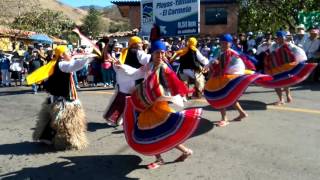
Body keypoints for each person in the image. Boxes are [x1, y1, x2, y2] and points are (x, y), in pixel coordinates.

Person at [124, 40, 202, 169]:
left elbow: (176, 84)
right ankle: (183, 152)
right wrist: (121, 67)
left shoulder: (164, 67)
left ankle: (163, 158)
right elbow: (135, 74)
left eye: (162, 53)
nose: (160, 55)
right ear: (152, 54)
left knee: (159, 131)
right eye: (157, 53)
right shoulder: (148, 67)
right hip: (149, 104)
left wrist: (179, 96)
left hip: (159, 104)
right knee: (158, 132)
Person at [27, 45, 95, 150]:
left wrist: (87, 55)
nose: (70, 53)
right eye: (68, 52)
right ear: (62, 55)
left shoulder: (56, 63)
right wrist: (89, 57)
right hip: (64, 100)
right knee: (65, 122)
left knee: (52, 119)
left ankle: (47, 138)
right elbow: (76, 65)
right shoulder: (62, 64)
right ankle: (65, 141)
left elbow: (74, 62)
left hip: (57, 97)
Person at [204, 34, 270, 127]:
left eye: (225, 43)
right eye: (222, 43)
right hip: (229, 75)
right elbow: (218, 62)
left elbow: (223, 67)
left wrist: (213, 67)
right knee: (230, 97)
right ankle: (242, 113)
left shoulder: (229, 53)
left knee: (220, 95)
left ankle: (224, 119)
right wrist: (211, 64)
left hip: (230, 77)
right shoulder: (224, 52)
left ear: (230, 44)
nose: (223, 45)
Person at [255, 31, 317, 105]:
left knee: (283, 81)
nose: (279, 39)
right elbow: (262, 51)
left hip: (286, 66)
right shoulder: (274, 45)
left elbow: (300, 53)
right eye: (278, 37)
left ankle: (286, 97)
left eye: (281, 37)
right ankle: (283, 98)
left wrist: (298, 62)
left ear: (284, 38)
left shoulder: (289, 45)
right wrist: (265, 45)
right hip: (277, 67)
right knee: (277, 81)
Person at [103, 36, 150, 126]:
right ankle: (135, 119)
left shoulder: (123, 52)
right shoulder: (138, 52)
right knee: (138, 100)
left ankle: (113, 118)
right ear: (135, 44)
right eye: (140, 43)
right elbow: (146, 60)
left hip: (124, 80)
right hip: (135, 80)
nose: (141, 44)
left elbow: (117, 66)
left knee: (121, 100)